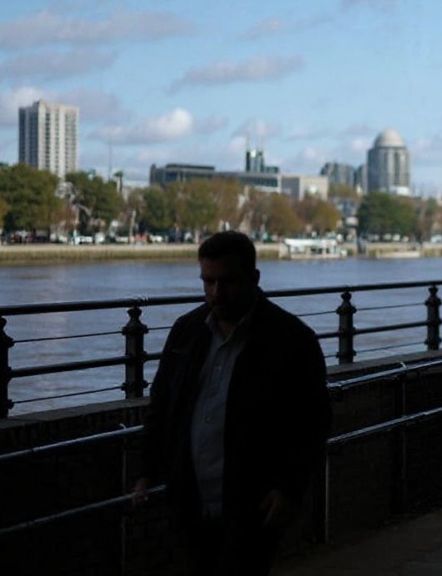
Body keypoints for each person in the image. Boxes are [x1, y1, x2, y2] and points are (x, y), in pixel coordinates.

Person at [133, 231, 331, 576]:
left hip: (252, 500)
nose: (216, 293)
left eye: (227, 281)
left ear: (253, 278)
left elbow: (312, 422)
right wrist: (146, 472)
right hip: (190, 498)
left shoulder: (292, 339)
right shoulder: (186, 331)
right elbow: (162, 405)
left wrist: (288, 489)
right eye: (208, 281)